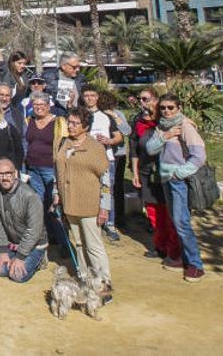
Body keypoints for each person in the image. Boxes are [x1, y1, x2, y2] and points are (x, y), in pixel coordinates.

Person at [145, 94, 207, 282]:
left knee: (181, 222)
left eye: (170, 107)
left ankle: (196, 264)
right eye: (163, 108)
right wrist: (165, 137)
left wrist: (179, 173)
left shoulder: (186, 126)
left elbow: (199, 155)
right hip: (166, 178)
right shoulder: (162, 127)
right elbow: (150, 148)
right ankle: (181, 258)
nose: (166, 111)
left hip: (179, 180)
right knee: (175, 220)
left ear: (178, 108)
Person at [52, 107, 112, 292]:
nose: (70, 126)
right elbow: (57, 171)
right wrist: (56, 193)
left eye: (75, 123)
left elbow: (106, 180)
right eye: (69, 122)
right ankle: (86, 279)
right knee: (78, 244)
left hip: (89, 205)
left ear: (85, 126)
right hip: (69, 203)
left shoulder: (95, 147)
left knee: (93, 246)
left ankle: (104, 284)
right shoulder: (64, 142)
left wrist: (104, 207)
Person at [130, 87, 180, 265]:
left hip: (165, 171)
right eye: (141, 99)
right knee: (153, 212)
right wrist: (135, 172)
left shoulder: (165, 121)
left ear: (156, 100)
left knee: (168, 212)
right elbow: (134, 149)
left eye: (146, 99)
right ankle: (160, 245)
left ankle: (173, 248)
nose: (143, 103)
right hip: (145, 171)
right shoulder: (138, 122)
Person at [0, 158, 48, 283]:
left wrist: (20, 257)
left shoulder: (30, 196)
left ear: (15, 173)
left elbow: (34, 230)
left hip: (34, 243)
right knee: (1, 270)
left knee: (17, 275)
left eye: (8, 173)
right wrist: (3, 250)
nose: (4, 178)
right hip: (12, 242)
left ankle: (40, 257)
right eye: (0, 174)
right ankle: (14, 256)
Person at [23, 92, 69, 250]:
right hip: (32, 168)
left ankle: (64, 241)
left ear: (49, 106)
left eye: (42, 105)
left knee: (54, 204)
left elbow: (64, 144)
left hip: (51, 168)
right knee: (40, 204)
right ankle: (49, 236)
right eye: (36, 105)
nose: (39, 108)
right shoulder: (29, 120)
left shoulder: (58, 122)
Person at [81, 85, 127, 241]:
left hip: (106, 158)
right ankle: (92, 223)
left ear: (97, 97)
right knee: (88, 192)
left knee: (107, 192)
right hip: (85, 158)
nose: (89, 98)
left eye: (92, 95)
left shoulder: (106, 116)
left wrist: (109, 141)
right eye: (86, 95)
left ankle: (110, 223)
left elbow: (119, 136)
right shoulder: (79, 115)